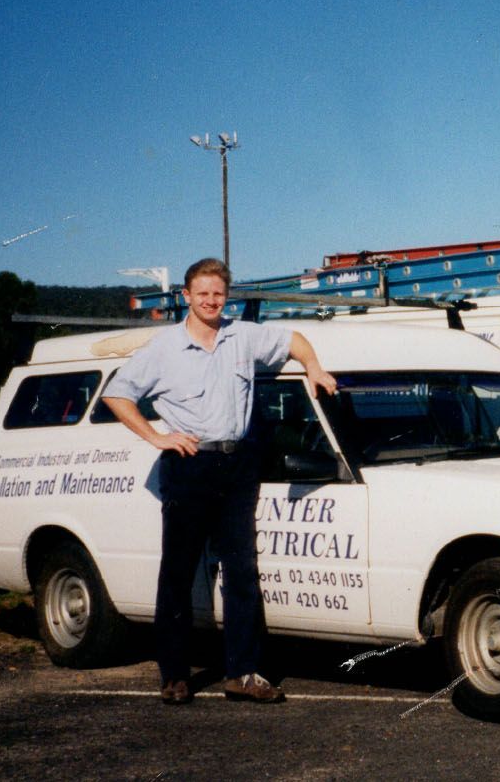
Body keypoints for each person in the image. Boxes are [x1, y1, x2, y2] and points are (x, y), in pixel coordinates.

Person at [101, 258, 336, 705]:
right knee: (178, 573)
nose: (211, 301)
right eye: (202, 293)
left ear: (226, 297)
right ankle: (174, 675)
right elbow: (117, 393)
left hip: (238, 465)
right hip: (189, 466)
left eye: (218, 294)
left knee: (242, 572)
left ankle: (242, 675)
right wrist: (157, 437)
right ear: (185, 296)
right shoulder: (164, 347)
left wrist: (314, 369)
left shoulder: (243, 335)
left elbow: (296, 340)